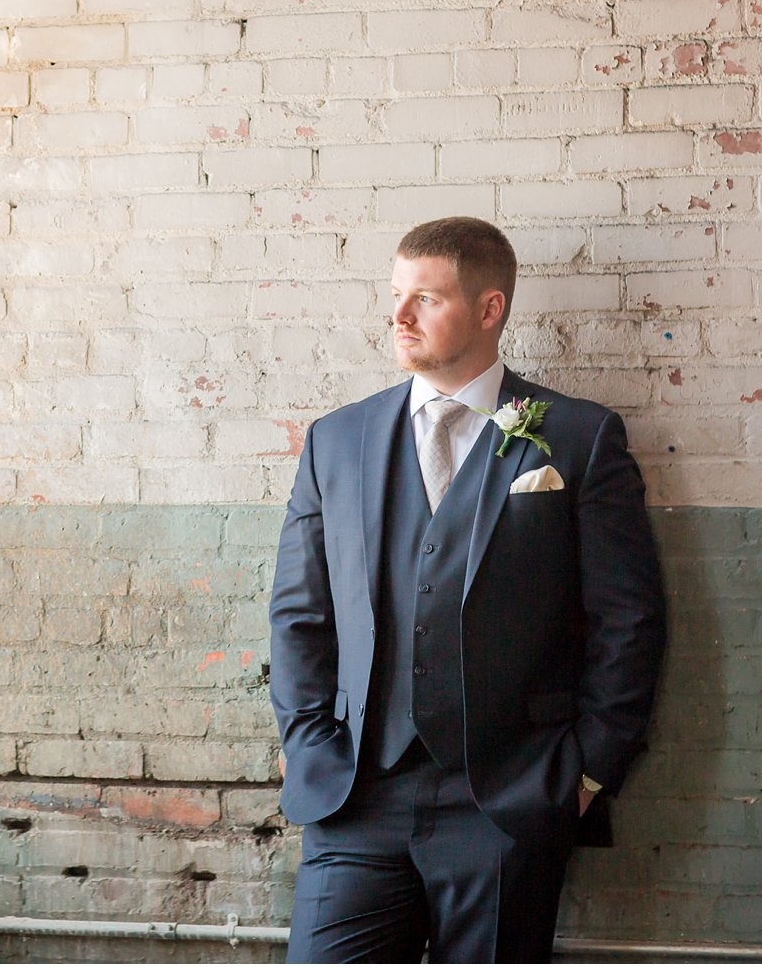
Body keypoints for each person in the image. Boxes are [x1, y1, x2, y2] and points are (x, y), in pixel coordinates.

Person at [268, 216, 666, 963]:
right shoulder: (337, 440)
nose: (400, 316)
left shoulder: (578, 438)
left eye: (426, 297)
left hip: (506, 800)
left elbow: (628, 620)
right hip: (356, 794)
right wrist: (307, 739)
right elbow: (299, 614)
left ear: (490, 309)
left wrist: (585, 773)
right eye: (395, 295)